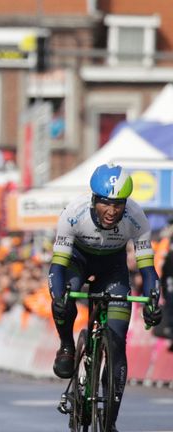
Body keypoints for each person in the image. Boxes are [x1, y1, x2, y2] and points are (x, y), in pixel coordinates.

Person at [48, 163, 161, 432]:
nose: (112, 212)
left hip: (113, 269)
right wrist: (58, 297)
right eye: (106, 204)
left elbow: (147, 269)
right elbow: (57, 267)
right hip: (77, 261)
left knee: (117, 340)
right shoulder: (73, 214)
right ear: (94, 200)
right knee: (64, 300)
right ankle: (66, 346)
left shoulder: (136, 217)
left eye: (118, 205)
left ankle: (109, 421)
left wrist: (152, 299)